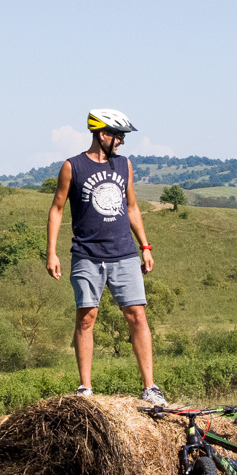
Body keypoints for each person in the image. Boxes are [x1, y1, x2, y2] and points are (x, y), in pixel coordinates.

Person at [45, 108, 167, 405]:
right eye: (118, 136)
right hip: (86, 255)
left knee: (136, 315)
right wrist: (52, 252)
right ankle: (85, 388)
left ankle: (150, 387)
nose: (121, 142)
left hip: (124, 253)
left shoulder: (124, 165)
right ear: (103, 135)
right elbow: (57, 209)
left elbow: (133, 207)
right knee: (87, 317)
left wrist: (145, 246)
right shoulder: (72, 167)